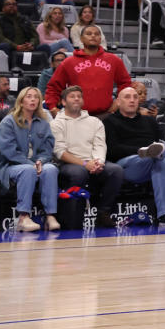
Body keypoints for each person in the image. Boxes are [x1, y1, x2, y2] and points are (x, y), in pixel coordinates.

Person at [103, 87, 165, 227]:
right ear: (118, 102)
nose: (132, 100)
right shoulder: (109, 122)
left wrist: (160, 149)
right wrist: (141, 151)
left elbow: (163, 142)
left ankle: (155, 153)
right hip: (129, 164)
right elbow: (112, 150)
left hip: (155, 159)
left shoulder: (150, 121)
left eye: (135, 97)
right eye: (127, 97)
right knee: (160, 157)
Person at [52, 84, 124, 228]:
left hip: (93, 161)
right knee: (78, 172)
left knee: (116, 170)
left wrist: (98, 162)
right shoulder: (56, 123)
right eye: (72, 96)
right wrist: (85, 164)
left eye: (79, 96)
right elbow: (60, 152)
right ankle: (73, 219)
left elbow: (99, 145)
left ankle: (103, 213)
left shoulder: (95, 121)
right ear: (64, 102)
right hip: (68, 164)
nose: (77, 99)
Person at [0, 87, 60, 232]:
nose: (33, 99)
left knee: (51, 169)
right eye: (29, 96)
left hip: (36, 164)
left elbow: (47, 149)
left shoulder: (43, 123)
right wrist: (32, 164)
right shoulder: (8, 122)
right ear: (21, 102)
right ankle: (23, 217)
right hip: (8, 166)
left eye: (36, 97)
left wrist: (41, 161)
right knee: (28, 170)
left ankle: (50, 216)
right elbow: (8, 151)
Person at [44, 25, 133, 116]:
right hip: (76, 116)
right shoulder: (68, 63)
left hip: (106, 115)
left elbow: (125, 83)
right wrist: (53, 108)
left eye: (97, 34)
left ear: (100, 39)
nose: (93, 36)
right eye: (89, 34)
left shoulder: (114, 60)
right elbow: (53, 87)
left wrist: (118, 102)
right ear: (81, 39)